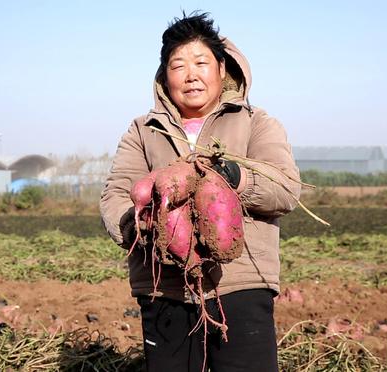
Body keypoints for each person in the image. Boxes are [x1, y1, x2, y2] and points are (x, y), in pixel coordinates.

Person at [100, 12, 300, 372]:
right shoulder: (143, 131)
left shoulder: (257, 122)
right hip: (164, 287)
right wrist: (140, 228)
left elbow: (286, 189)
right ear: (165, 76)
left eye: (201, 62)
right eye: (178, 66)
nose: (190, 75)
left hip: (242, 283)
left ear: (222, 68)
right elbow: (116, 193)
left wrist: (235, 177)